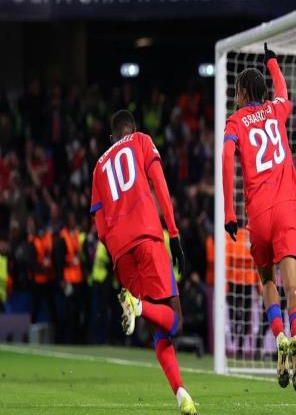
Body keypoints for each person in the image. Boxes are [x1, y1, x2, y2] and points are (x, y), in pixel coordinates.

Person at [90, 110, 197, 415]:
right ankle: (137, 306)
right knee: (175, 321)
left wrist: (116, 248)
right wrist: (173, 233)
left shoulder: (98, 167)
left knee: (158, 329)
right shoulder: (141, 141)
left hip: (120, 252)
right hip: (148, 237)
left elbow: (100, 228)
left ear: (112, 137)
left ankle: (182, 395)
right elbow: (160, 184)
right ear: (133, 128)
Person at [222, 44, 296, 393]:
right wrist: (273, 62)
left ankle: (280, 337)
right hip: (286, 207)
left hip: (258, 213)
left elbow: (226, 157)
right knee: (294, 288)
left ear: (243, 93)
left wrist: (229, 211)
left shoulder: (235, 121)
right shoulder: (276, 109)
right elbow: (284, 91)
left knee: (267, 282)